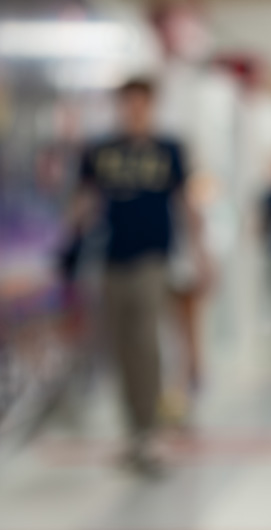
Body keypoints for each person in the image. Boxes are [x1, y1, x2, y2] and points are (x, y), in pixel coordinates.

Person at [64, 78, 209, 476]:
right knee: (121, 347)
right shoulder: (100, 151)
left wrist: (201, 254)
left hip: (153, 260)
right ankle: (134, 431)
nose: (134, 111)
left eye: (141, 104)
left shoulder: (169, 149)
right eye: (128, 104)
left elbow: (185, 203)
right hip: (110, 259)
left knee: (146, 340)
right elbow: (84, 201)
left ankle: (151, 430)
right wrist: (69, 236)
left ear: (151, 106)